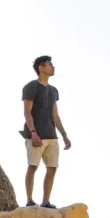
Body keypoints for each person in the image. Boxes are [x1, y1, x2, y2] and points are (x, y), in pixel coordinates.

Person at [21, 55, 71, 208]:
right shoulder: (31, 87)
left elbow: (55, 115)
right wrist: (34, 132)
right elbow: (27, 112)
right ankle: (29, 200)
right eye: (49, 64)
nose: (53, 67)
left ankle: (45, 202)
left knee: (52, 168)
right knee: (33, 166)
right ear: (41, 68)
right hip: (35, 135)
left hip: (52, 136)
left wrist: (64, 135)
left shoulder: (54, 91)